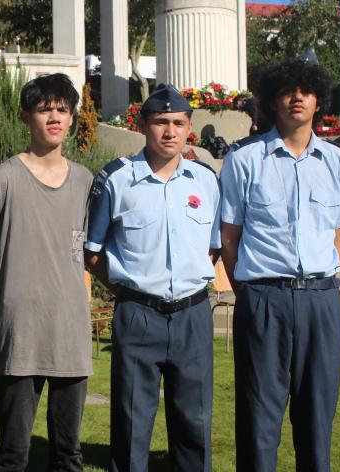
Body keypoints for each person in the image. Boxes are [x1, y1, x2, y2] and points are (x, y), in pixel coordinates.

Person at [219, 55, 340, 472]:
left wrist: (322, 268)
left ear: (319, 100)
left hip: (321, 302)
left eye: (306, 90)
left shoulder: (338, 163)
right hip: (264, 298)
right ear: (273, 100)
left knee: (318, 414)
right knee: (259, 414)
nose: (297, 97)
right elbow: (230, 237)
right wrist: (254, 293)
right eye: (287, 90)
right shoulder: (244, 161)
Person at [0, 73, 94, 471]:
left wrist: (82, 289)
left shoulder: (86, 181)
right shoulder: (1, 180)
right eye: (44, 109)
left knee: (69, 455)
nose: (54, 117)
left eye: (63, 109)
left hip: (70, 334)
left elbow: (83, 252)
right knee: (13, 455)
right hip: (21, 336)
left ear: (71, 118)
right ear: (24, 117)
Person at [85, 83, 221, 472]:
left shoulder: (205, 181)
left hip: (193, 316)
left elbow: (212, 248)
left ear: (189, 127)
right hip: (138, 315)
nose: (169, 131)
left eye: (178, 122)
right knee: (131, 424)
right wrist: (129, 291)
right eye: (160, 122)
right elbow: (92, 252)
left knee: (194, 424)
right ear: (144, 125)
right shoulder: (115, 180)